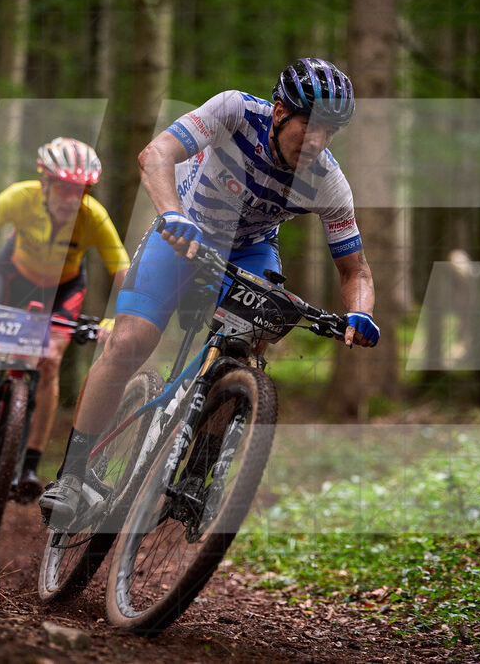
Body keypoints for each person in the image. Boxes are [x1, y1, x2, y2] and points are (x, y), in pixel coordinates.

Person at [38, 58, 381, 525]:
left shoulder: (328, 181)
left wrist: (361, 314)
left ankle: (197, 474)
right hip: (183, 232)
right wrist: (172, 212)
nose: (318, 141)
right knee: (128, 343)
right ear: (280, 112)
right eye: (311, 126)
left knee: (249, 342)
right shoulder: (234, 111)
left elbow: (355, 272)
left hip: (250, 250)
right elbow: (155, 155)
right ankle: (73, 475)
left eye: (330, 132)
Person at [0, 138, 130, 500]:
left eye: (81, 190)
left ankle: (29, 465)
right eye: (64, 187)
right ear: (44, 181)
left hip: (62, 292)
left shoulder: (94, 217)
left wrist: (120, 319)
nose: (72, 198)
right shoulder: (19, 197)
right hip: (10, 282)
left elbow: (125, 274)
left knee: (50, 362)